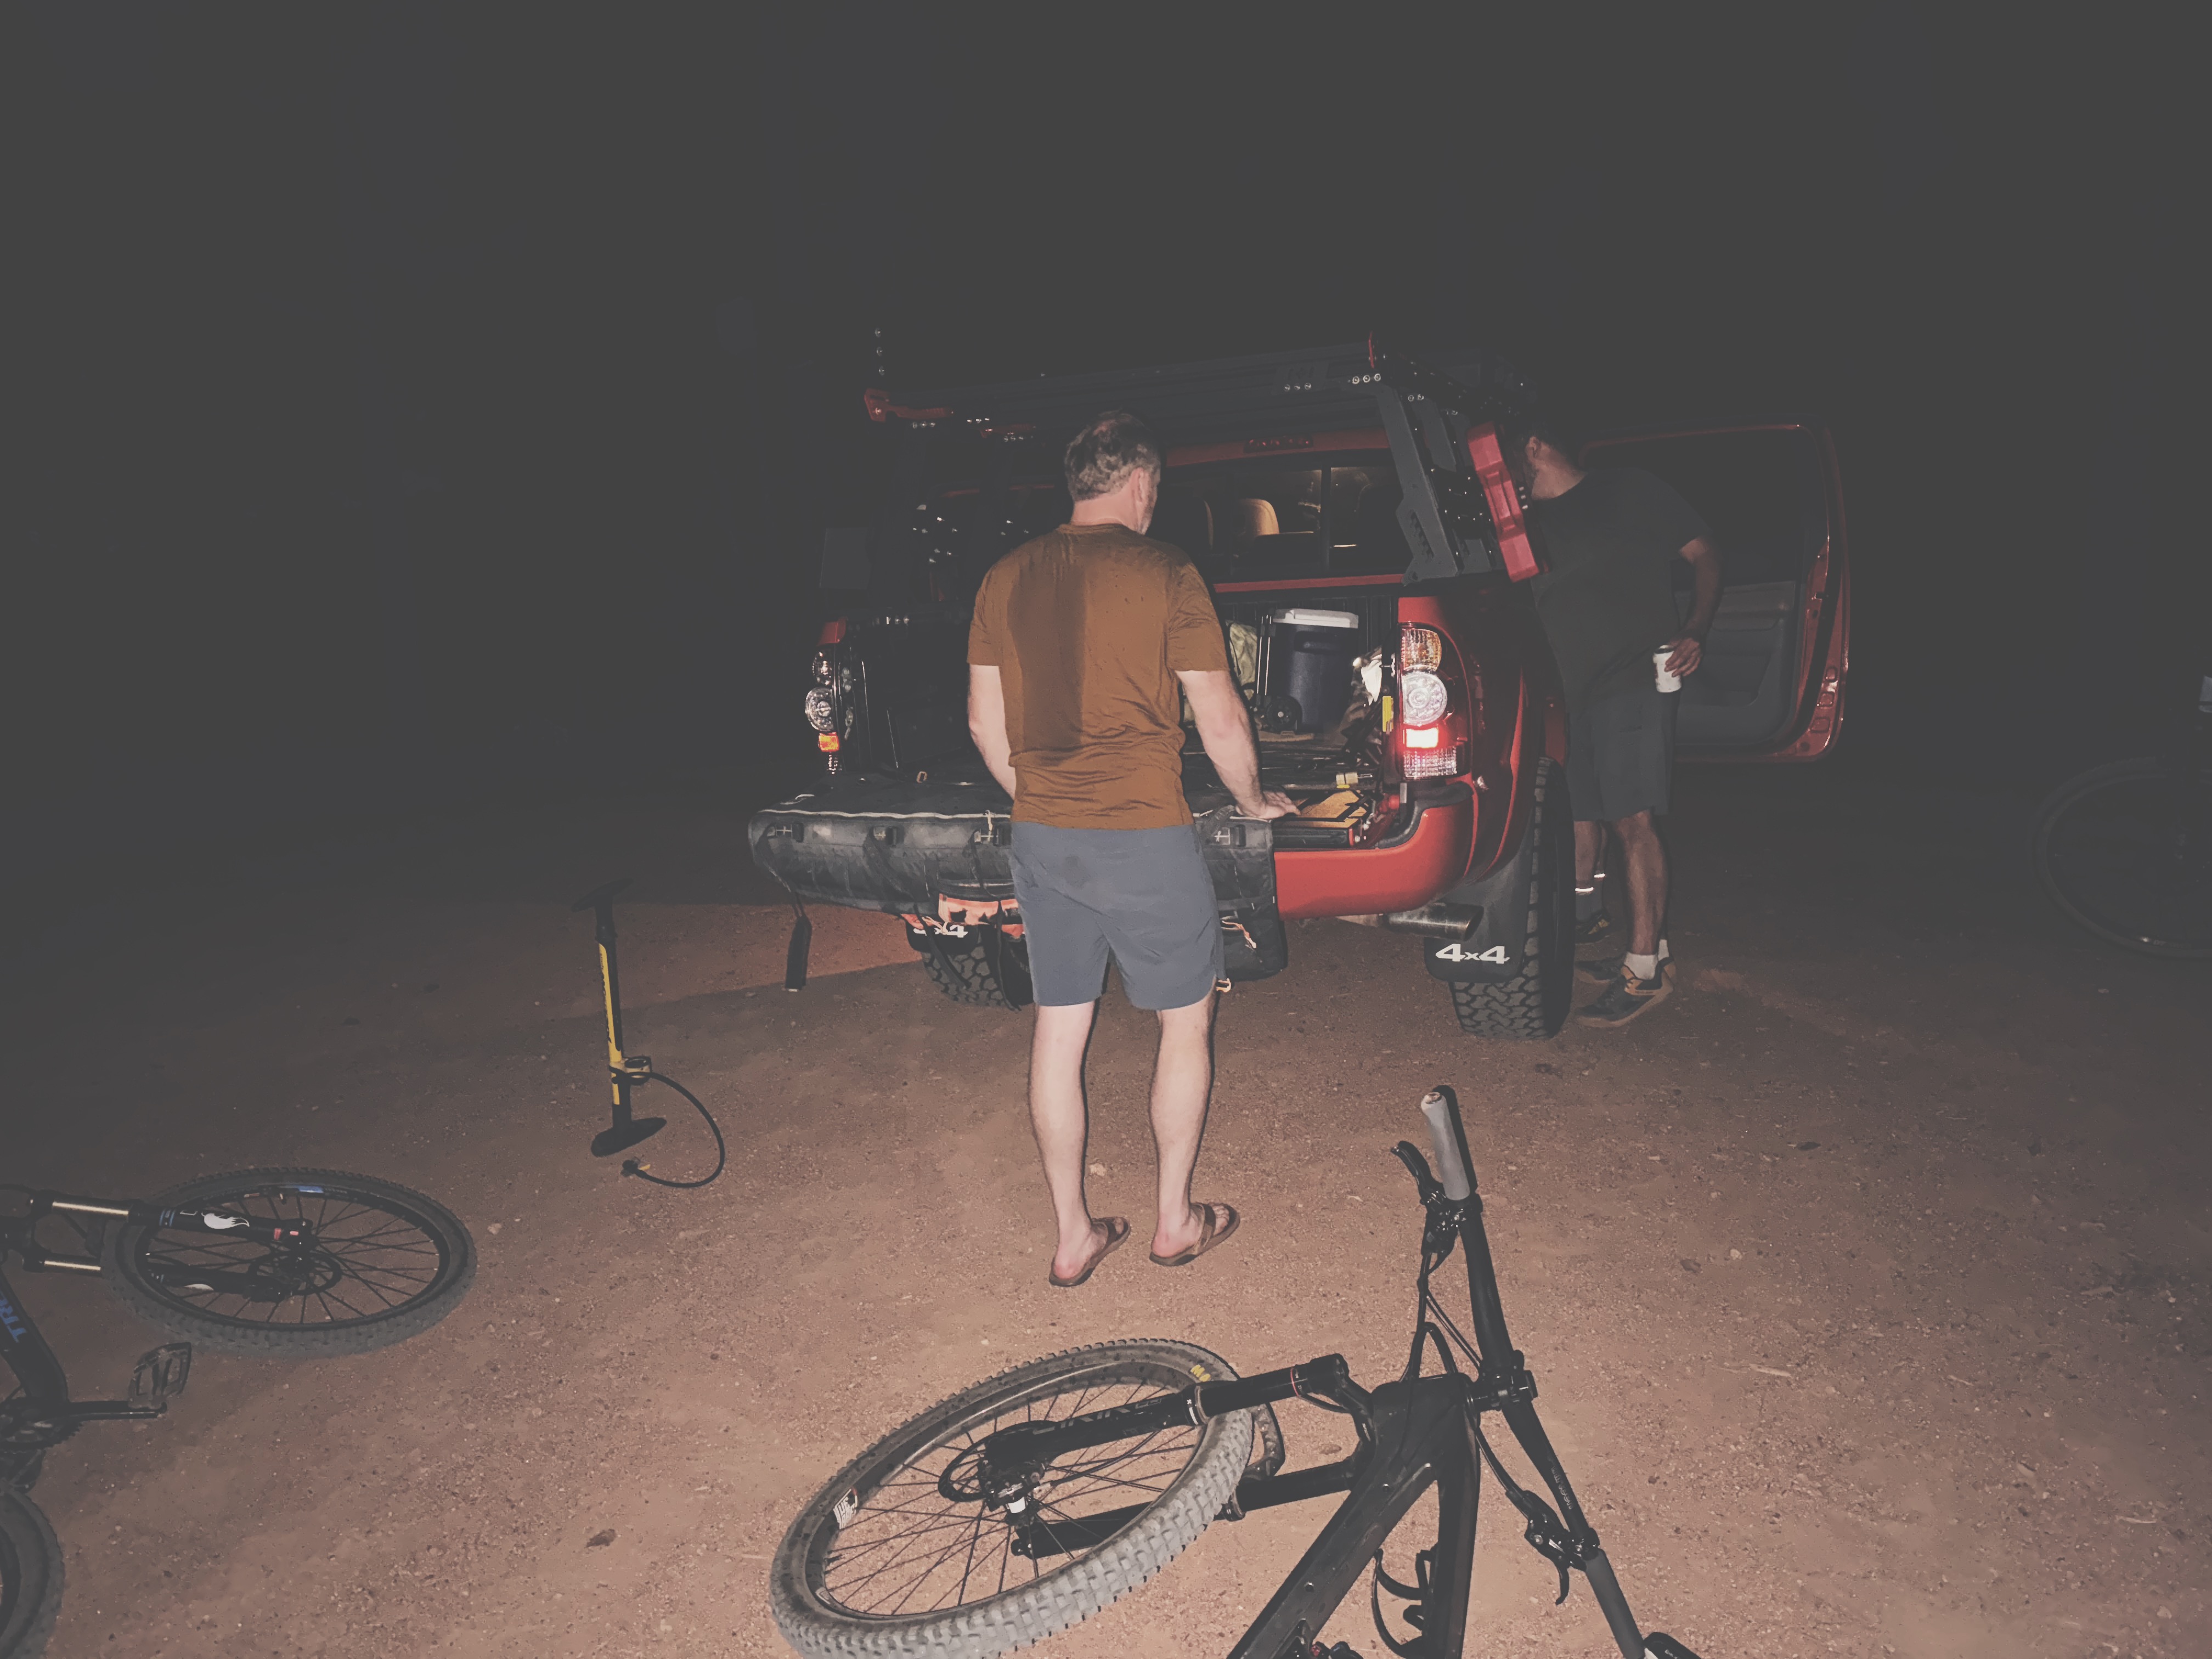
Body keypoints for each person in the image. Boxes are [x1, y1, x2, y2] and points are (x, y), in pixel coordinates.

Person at [967, 409, 1295, 1288]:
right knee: (1183, 1021)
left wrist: (1040, 799)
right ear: (1142, 484)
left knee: (1059, 1029)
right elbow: (1219, 715)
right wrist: (1255, 801)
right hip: (1142, 834)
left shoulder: (1003, 577)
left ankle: (1074, 1237)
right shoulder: (1165, 570)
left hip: (1043, 835)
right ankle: (1174, 1222)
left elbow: (982, 722)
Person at [1507, 410, 1721, 1028]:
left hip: (1635, 680)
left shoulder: (1629, 490)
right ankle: (1627, 938)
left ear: (1536, 446)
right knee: (1582, 818)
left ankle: (1645, 969)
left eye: (1504, 460)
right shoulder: (1527, 528)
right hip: (1570, 698)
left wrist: (1695, 628)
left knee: (1633, 820)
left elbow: (1705, 553)